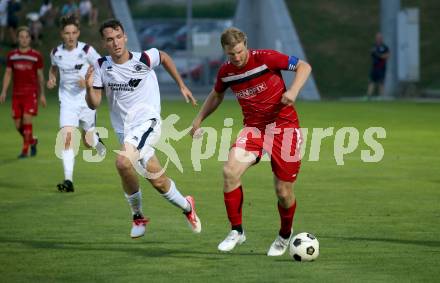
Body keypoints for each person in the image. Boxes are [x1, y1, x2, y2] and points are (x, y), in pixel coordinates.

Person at [190, 27, 312, 256]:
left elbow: (305, 66)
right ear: (225, 52)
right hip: (254, 131)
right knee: (229, 171)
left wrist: (293, 91)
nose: (236, 57)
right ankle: (236, 231)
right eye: (230, 54)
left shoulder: (266, 58)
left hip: (284, 129)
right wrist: (199, 119)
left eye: (238, 51)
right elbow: (217, 94)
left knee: (283, 192)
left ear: (245, 43)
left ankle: (285, 234)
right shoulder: (226, 71)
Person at [85, 19, 201, 238]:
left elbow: (164, 57)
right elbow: (94, 103)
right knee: (157, 180)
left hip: (148, 122)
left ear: (125, 37)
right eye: (110, 40)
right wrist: (89, 87)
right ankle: (187, 206)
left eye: (119, 37)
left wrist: (182, 85)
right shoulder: (101, 66)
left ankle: (137, 216)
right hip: (125, 131)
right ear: (104, 43)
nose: (116, 43)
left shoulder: (144, 58)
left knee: (122, 161)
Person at [47, 15, 106, 192]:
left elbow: (101, 66)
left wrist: (89, 82)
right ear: (61, 34)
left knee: (88, 141)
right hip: (67, 100)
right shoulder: (56, 53)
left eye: (74, 33)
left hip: (86, 99)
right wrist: (51, 78)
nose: (71, 36)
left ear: (78, 33)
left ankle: (96, 141)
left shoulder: (87, 50)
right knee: (67, 137)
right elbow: (54, 68)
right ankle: (68, 180)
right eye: (67, 33)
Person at [1, 26, 45, 158]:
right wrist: (3, 91)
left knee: (27, 121)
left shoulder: (36, 56)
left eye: (27, 37)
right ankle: (32, 141)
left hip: (30, 93)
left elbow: (40, 76)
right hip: (16, 94)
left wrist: (42, 94)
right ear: (18, 39)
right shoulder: (12, 56)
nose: (24, 39)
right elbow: (8, 74)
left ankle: (25, 150)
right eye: (21, 37)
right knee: (18, 125)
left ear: (30, 39)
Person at [366, 32, 390, 99]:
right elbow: (371, 55)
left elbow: (387, 55)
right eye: (377, 38)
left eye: (380, 38)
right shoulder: (374, 46)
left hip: (381, 67)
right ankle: (369, 96)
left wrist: (379, 55)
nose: (378, 39)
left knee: (381, 82)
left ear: (382, 39)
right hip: (374, 67)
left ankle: (382, 96)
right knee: (371, 81)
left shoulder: (385, 47)